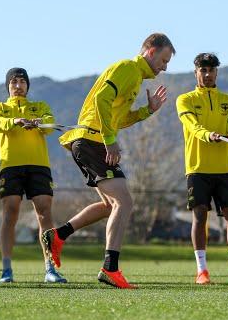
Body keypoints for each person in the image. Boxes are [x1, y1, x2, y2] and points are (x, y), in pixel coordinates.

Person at [41, 33, 173, 289]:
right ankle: (110, 268)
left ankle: (58, 236)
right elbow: (102, 99)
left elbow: (117, 119)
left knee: (110, 205)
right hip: (92, 141)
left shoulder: (134, 77)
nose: (165, 67)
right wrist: (110, 140)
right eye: (164, 59)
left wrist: (147, 111)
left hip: (92, 140)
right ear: (151, 51)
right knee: (124, 202)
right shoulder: (127, 68)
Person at [175, 53, 228, 285]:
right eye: (203, 70)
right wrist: (208, 135)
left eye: (211, 70)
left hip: (225, 169)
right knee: (200, 216)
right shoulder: (185, 99)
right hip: (197, 168)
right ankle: (202, 271)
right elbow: (193, 126)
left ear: (217, 72)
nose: (208, 75)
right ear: (196, 72)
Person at [0, 67, 67, 284]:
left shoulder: (39, 107)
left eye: (22, 82)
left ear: (27, 86)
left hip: (39, 166)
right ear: (8, 86)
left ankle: (50, 269)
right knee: (10, 213)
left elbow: (49, 126)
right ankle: (6, 270)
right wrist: (15, 121)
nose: (18, 85)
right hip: (10, 166)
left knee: (44, 213)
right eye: (14, 82)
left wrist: (39, 123)